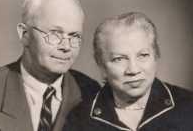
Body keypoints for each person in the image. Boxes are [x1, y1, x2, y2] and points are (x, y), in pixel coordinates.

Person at [0, 0, 100, 131]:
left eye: (74, 35)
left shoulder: (90, 92)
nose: (66, 46)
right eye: (54, 33)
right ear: (25, 34)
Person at [63, 12, 193, 131]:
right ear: (102, 67)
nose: (134, 70)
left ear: (155, 58)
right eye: (119, 59)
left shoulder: (188, 106)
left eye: (143, 55)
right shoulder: (80, 120)